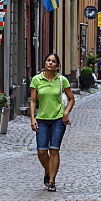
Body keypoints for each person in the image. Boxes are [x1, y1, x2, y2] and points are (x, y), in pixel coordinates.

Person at [29, 53, 76, 192]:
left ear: (57, 65)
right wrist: (33, 118)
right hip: (42, 119)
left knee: (54, 150)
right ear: (44, 63)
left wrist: (66, 113)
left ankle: (52, 181)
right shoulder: (36, 80)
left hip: (58, 120)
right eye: (48, 60)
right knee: (42, 151)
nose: (50, 63)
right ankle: (48, 171)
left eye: (53, 61)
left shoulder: (62, 80)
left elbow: (71, 99)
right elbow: (32, 100)